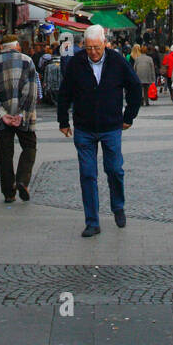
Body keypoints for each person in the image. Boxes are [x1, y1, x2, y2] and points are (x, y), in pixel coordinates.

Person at [57, 24, 143, 237]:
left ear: (105, 43)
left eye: (97, 47)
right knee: (87, 174)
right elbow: (64, 93)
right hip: (84, 127)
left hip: (111, 126)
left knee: (114, 169)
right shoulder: (76, 63)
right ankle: (92, 221)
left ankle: (118, 205)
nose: (93, 52)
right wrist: (63, 121)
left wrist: (129, 116)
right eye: (88, 48)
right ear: (83, 46)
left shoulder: (117, 61)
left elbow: (134, 87)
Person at [0, 35, 38, 203]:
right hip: (23, 117)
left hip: (3, 118)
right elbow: (31, 91)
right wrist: (21, 114)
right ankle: (22, 179)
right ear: (16, 46)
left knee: (5, 154)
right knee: (29, 146)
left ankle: (8, 192)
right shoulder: (27, 61)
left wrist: (2, 114)